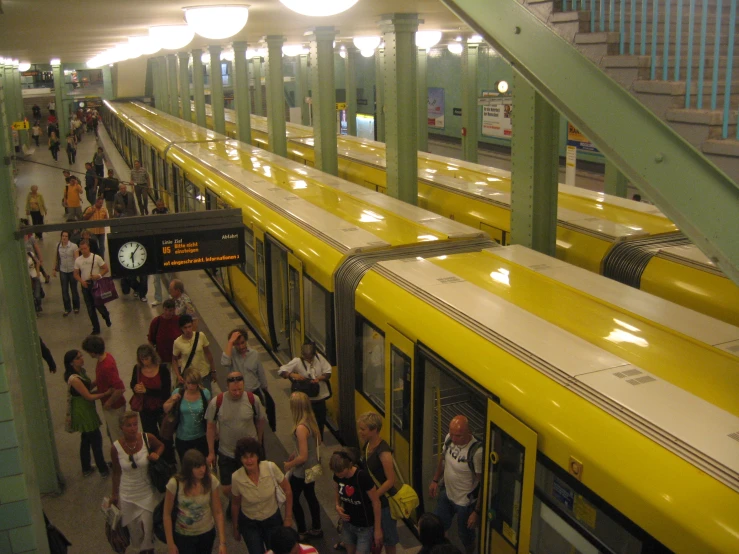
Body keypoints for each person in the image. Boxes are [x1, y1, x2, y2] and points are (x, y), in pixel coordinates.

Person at [110, 411, 164, 554]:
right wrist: (114, 493)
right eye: (129, 425)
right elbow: (116, 472)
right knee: (134, 530)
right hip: (128, 493)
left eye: (135, 424)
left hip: (147, 490)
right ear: (121, 427)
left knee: (148, 526)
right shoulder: (116, 448)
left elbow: (161, 446)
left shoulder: (147, 438)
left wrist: (156, 454)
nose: (133, 428)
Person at [205, 371, 266, 498]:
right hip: (227, 452)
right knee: (227, 488)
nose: (237, 393)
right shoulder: (217, 402)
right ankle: (235, 504)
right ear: (227, 387)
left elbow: (260, 421)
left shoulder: (253, 400)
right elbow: (210, 427)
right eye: (234, 390)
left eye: (240, 389)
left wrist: (259, 442)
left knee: (252, 482)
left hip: (249, 453)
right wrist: (211, 452)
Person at [428, 416, 483, 554]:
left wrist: (476, 512)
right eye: (451, 434)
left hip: (465, 503)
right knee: (438, 527)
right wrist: (435, 480)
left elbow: (483, 484)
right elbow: (442, 459)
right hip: (447, 493)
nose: (453, 438)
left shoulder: (476, 453)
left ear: (468, 432)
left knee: (465, 536)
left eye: (458, 435)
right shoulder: (449, 439)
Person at [231, 437, 293, 554]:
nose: (249, 461)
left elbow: (288, 489)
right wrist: (235, 527)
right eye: (245, 457)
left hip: (273, 520)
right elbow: (235, 504)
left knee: (276, 551)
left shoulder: (270, 467)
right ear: (240, 459)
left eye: (252, 456)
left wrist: (288, 517)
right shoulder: (236, 478)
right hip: (250, 524)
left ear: (258, 456)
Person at [163, 449, 227, 554]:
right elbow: (167, 514)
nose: (202, 470)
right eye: (197, 467)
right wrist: (170, 544)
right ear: (188, 469)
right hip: (184, 536)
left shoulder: (211, 480)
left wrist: (222, 542)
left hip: (206, 533)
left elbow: (218, 511)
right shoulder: (175, 483)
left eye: (203, 466)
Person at [63, 349, 112, 477]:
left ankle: (86, 467)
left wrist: (98, 381)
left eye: (81, 356)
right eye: (78, 358)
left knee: (86, 439)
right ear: (71, 363)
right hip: (83, 411)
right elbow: (88, 396)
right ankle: (103, 469)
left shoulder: (81, 372)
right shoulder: (74, 379)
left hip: (85, 408)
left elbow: (88, 387)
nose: (82, 359)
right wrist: (106, 393)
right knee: (96, 439)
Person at [283, 392, 322, 542]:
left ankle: (302, 530)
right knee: (310, 495)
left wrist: (289, 464)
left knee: (292, 497)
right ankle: (317, 527)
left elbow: (303, 456)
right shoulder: (312, 421)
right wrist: (296, 451)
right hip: (313, 467)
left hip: (302, 471)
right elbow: (315, 444)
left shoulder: (300, 427)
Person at [358, 412, 399, 554]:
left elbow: (391, 480)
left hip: (384, 503)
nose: (360, 432)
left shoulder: (383, 452)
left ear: (374, 430)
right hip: (374, 500)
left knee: (389, 540)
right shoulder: (368, 445)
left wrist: (374, 495)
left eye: (363, 429)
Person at [222, 327, 276, 431]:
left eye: (242, 342)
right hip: (239, 394)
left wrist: (264, 389)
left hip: (254, 392)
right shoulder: (231, 354)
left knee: (257, 421)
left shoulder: (254, 354)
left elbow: (260, 373)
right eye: (237, 344)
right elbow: (224, 362)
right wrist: (230, 342)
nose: (241, 346)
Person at [330, 451, 383, 554]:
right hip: (348, 523)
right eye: (336, 473)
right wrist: (337, 505)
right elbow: (337, 491)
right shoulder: (338, 476)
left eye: (341, 472)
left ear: (349, 466)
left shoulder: (362, 477)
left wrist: (377, 530)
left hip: (365, 527)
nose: (339, 476)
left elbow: (376, 503)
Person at [278, 342, 332, 438]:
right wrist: (292, 375)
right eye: (307, 358)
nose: (309, 360)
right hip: (305, 400)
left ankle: (319, 439)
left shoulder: (319, 358)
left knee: (320, 422)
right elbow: (281, 371)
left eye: (311, 358)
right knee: (306, 423)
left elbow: (328, 372)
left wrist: (319, 378)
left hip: (320, 398)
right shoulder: (297, 361)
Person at [82, 335, 126, 443]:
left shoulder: (106, 366)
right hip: (112, 404)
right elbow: (102, 379)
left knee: (117, 436)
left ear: (93, 352)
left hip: (114, 407)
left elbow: (120, 388)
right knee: (111, 432)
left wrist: (108, 403)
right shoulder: (106, 358)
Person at [163, 369, 211, 462]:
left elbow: (210, 415)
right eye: (188, 383)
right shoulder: (178, 392)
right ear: (184, 381)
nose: (191, 386)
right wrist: (172, 400)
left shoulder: (205, 393)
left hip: (201, 436)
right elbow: (165, 408)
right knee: (187, 466)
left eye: (194, 383)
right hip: (182, 438)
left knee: (202, 464)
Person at [130, 344, 171, 440]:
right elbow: (132, 384)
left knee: (165, 436)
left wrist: (146, 391)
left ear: (152, 356)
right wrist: (135, 388)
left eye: (146, 358)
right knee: (150, 437)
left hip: (161, 408)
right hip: (145, 409)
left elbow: (165, 392)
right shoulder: (137, 369)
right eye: (142, 359)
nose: (144, 362)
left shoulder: (162, 369)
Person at [73, 239, 111, 334]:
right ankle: (96, 328)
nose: (84, 251)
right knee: (90, 308)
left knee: (98, 304)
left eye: (85, 248)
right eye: (81, 249)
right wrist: (81, 281)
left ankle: (105, 314)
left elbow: (106, 269)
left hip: (96, 284)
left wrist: (98, 276)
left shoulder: (96, 258)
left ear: (89, 247)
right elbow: (76, 274)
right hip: (85, 285)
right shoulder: (78, 260)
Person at [172, 314, 215, 391]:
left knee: (206, 397)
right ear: (181, 328)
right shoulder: (177, 342)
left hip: (203, 374)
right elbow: (174, 359)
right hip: (189, 377)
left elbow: (208, 353)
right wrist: (178, 375)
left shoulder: (201, 336)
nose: (188, 330)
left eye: (189, 326)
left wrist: (213, 370)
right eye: (185, 327)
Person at [147, 299, 182, 373]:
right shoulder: (156, 322)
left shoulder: (178, 321)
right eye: (166, 310)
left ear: (174, 310)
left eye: (170, 310)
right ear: (163, 309)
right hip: (162, 359)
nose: (167, 313)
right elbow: (150, 340)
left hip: (177, 358)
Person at [52, 230, 80, 316]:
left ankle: (76, 306)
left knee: (74, 289)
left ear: (69, 238)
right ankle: (67, 308)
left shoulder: (73, 246)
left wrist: (77, 270)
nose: (64, 238)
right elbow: (56, 257)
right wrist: (54, 269)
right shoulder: (58, 246)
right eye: (63, 236)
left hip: (72, 270)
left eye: (66, 236)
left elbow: (76, 258)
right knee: (64, 290)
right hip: (63, 270)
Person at [28, 251, 43, 315]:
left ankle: (38, 305)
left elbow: (37, 262)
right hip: (27, 278)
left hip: (34, 276)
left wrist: (37, 272)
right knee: (31, 295)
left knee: (37, 295)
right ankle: (35, 310)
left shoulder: (30, 254)